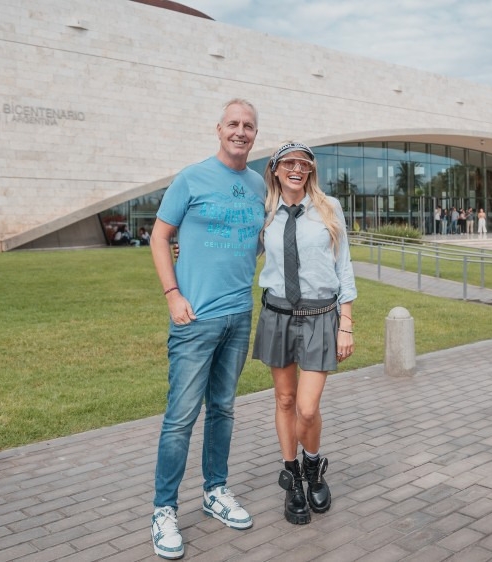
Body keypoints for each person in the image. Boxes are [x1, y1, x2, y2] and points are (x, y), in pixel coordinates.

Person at [148, 98, 266, 559]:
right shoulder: (190, 178)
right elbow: (160, 236)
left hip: (239, 316)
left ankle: (214, 491)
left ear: (256, 135)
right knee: (180, 419)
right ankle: (163, 510)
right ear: (218, 129)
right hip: (195, 319)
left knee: (223, 410)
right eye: (234, 124)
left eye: (249, 126)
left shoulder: (258, 184)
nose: (241, 131)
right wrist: (173, 294)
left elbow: (254, 241)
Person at [252, 141, 357, 526]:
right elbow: (242, 254)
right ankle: (293, 477)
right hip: (278, 314)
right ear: (276, 170)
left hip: (320, 316)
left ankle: (314, 465)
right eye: (288, 163)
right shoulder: (264, 212)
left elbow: (343, 265)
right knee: (284, 399)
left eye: (303, 163)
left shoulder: (329, 208)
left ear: (310, 170)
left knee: (307, 408)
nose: (296, 168)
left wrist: (346, 321)